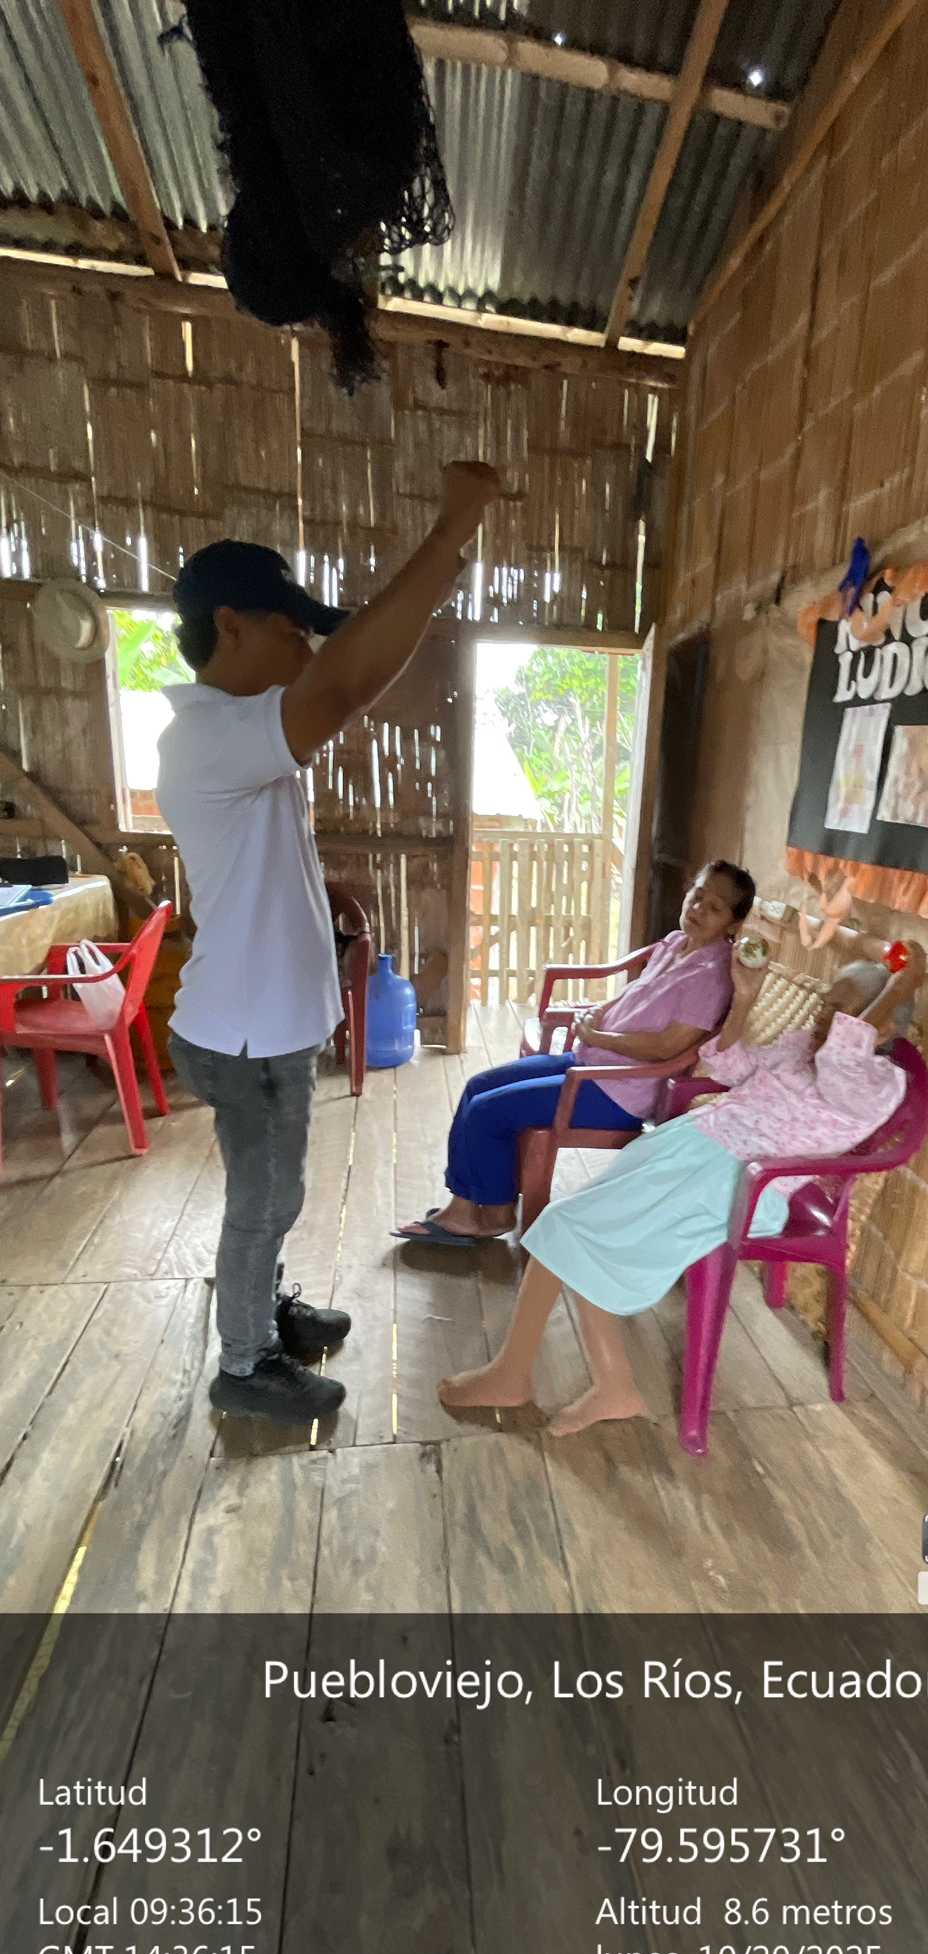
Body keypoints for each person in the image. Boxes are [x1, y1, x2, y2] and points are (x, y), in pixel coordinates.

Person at [157, 460, 501, 1426]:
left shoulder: (235, 732)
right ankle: (244, 1364)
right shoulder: (209, 736)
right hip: (244, 1035)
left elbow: (339, 675)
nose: (305, 643)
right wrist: (451, 533)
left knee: (274, 1193)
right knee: (263, 1202)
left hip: (264, 1027)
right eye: (288, 626)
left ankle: (264, 1309)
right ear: (229, 625)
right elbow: (346, 682)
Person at [438, 939, 926, 1436]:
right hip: (692, 1151)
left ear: (880, 1028)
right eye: (825, 1003)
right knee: (574, 1221)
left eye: (840, 1011)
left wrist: (897, 989)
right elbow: (731, 1069)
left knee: (574, 1226)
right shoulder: (803, 1048)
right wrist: (744, 1000)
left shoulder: (875, 1083)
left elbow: (845, 1058)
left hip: (739, 1184)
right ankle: (595, 1383)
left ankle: (530, 1376)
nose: (824, 1017)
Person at [395, 859, 755, 1246]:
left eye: (714, 908)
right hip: (592, 1063)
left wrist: (601, 1037)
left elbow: (669, 1046)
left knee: (488, 1111)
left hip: (619, 1091)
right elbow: (637, 995)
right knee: (477, 1086)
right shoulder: (676, 943)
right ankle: (473, 1206)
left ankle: (485, 1213)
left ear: (733, 924)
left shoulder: (711, 975)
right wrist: (600, 1012)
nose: (698, 908)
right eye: (697, 895)